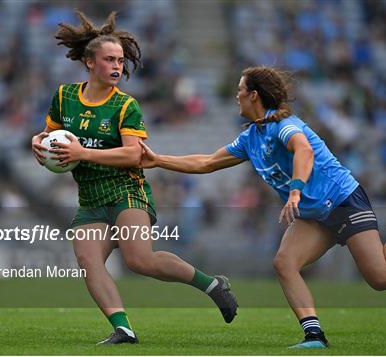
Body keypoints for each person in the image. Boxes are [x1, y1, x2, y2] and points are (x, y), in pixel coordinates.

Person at [139, 66, 386, 349]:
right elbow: (206, 162)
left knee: (384, 279)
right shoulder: (251, 137)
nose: (236, 96)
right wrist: (158, 160)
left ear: (254, 96)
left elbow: (303, 150)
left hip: (343, 200)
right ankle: (314, 336)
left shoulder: (285, 125)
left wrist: (296, 192)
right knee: (284, 263)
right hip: (314, 214)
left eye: (240, 90)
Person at [30, 11, 237, 345]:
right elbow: (52, 135)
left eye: (120, 60)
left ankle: (212, 285)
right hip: (90, 196)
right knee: (88, 259)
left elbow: (133, 155)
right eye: (109, 59)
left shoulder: (126, 106)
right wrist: (38, 142)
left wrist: (84, 154)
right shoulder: (64, 96)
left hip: (127, 190)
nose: (116, 66)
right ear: (89, 63)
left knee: (140, 259)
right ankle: (123, 329)